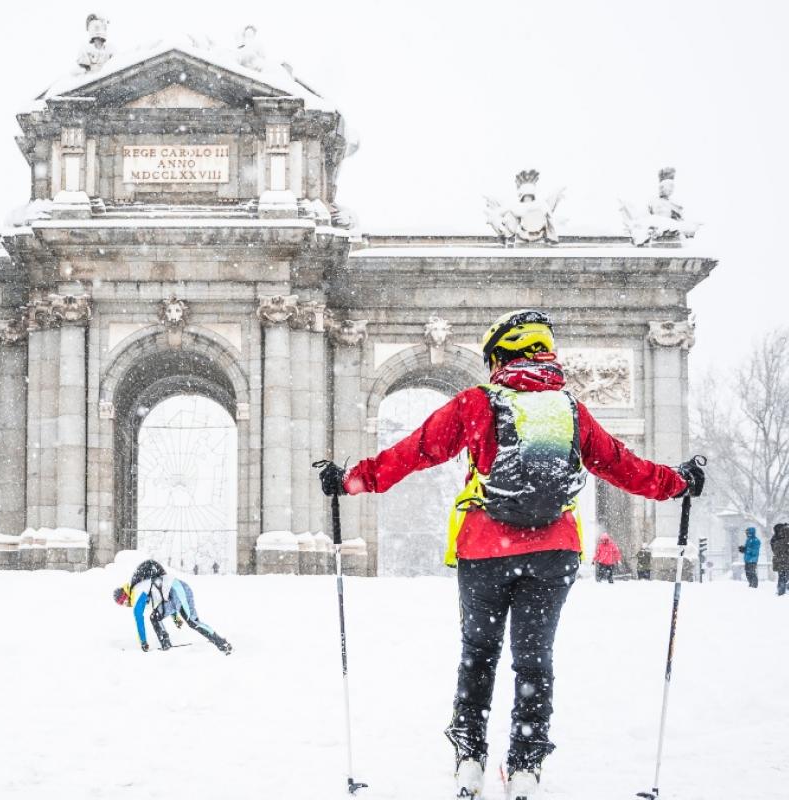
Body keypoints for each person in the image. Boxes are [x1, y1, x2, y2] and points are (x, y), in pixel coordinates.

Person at [316, 309, 704, 800]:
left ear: (499, 358)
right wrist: (679, 482)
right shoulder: (571, 410)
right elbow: (622, 466)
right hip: (553, 553)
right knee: (534, 660)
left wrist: (351, 480)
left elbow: (416, 451)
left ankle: (470, 758)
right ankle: (525, 765)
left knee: (478, 655)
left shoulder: (476, 404)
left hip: (485, 551)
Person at [113, 558, 233, 654]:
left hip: (179, 589)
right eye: (122, 604)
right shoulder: (139, 590)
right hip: (172, 594)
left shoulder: (136, 591)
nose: (125, 604)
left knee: (193, 622)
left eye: (123, 600)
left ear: (125, 593)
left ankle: (222, 643)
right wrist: (175, 618)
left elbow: (138, 617)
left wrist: (143, 642)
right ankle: (166, 645)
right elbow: (163, 598)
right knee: (154, 617)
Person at [770, 523, 789, 596]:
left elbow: (773, 549)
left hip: (779, 560)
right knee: (786, 576)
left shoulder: (774, 538)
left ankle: (781, 591)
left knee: (781, 576)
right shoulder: (786, 538)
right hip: (786, 559)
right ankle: (784, 591)